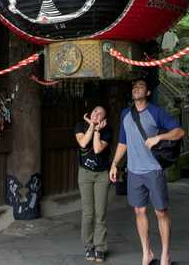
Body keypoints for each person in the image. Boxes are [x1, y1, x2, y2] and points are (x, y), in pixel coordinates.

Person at [109, 79, 185, 265]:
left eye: (141, 86)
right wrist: (114, 164)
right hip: (134, 171)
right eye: (134, 86)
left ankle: (165, 255)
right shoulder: (126, 114)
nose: (136, 88)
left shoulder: (156, 112)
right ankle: (147, 253)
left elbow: (179, 132)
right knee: (139, 211)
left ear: (148, 92)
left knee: (161, 212)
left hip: (154, 170)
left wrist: (158, 136)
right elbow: (122, 142)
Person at [75, 105, 112, 262]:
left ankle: (100, 247)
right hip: (85, 174)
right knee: (88, 212)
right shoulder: (80, 126)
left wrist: (97, 131)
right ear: (90, 113)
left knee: (100, 212)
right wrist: (91, 126)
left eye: (101, 113)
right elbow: (83, 143)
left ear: (104, 119)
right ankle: (88, 246)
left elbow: (97, 149)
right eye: (95, 111)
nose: (97, 114)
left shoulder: (108, 130)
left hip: (102, 174)